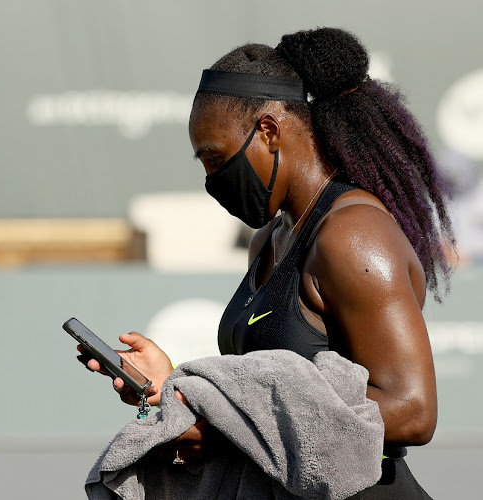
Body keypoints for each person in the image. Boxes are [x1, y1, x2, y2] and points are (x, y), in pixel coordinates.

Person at [82, 27, 454, 498]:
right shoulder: (268, 239)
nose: (212, 181)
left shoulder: (352, 236)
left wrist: (220, 428)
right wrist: (173, 384)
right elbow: (261, 389)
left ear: (269, 130)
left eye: (216, 160)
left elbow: (413, 410)